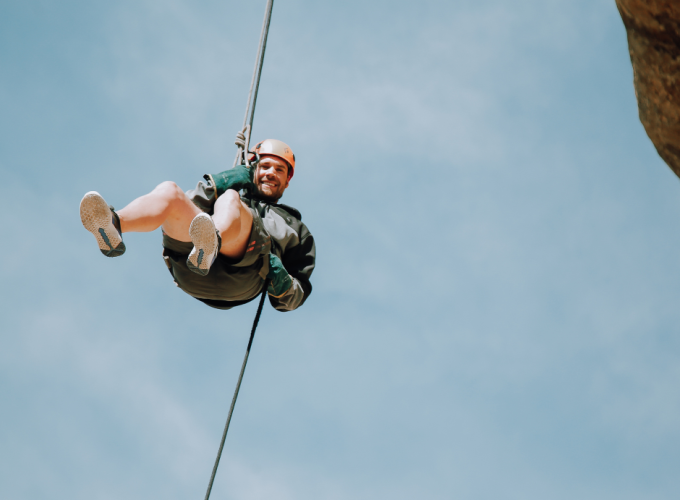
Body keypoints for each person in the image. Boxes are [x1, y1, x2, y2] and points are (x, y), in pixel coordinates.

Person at [79, 139, 315, 311]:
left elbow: (296, 295)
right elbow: (189, 207)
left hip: (243, 275)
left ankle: (211, 242)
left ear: (287, 179)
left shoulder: (295, 228)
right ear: (253, 168)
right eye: (265, 167)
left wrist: (282, 280)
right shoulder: (228, 196)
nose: (271, 173)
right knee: (171, 191)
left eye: (279, 170)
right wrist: (223, 182)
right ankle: (113, 224)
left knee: (230, 200)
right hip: (191, 270)